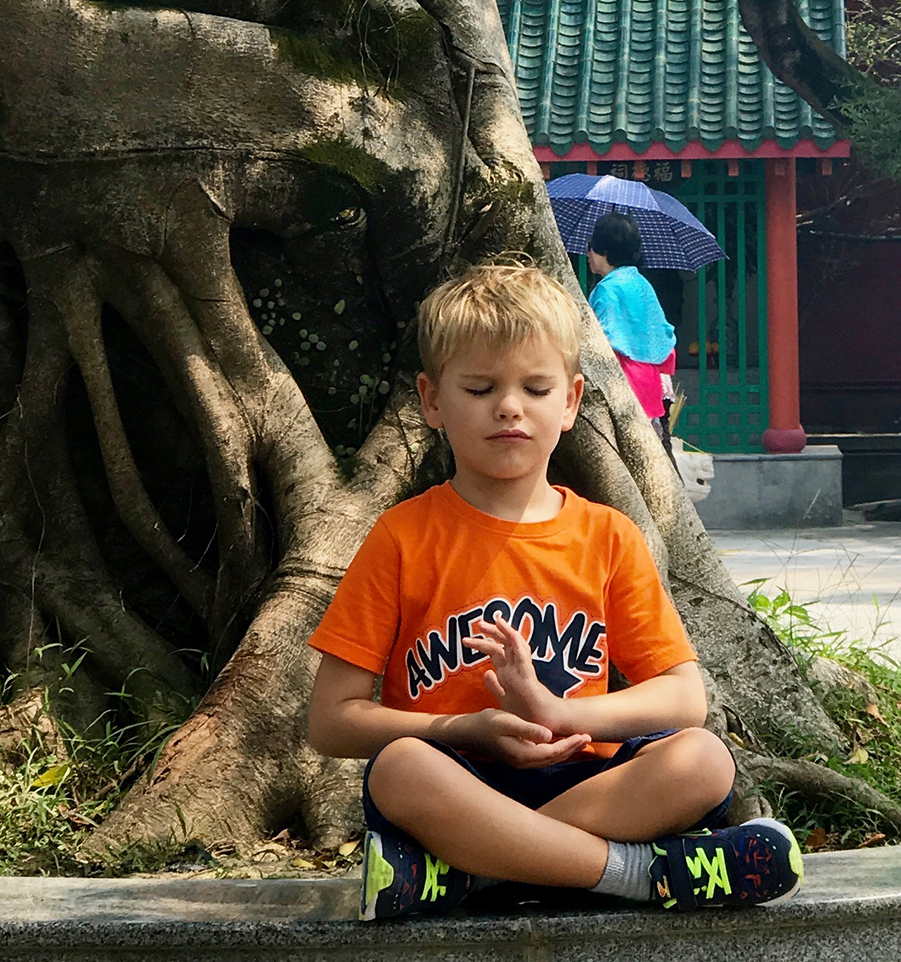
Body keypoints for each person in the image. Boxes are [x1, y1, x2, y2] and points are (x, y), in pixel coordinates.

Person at [306, 264, 802, 922]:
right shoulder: (402, 537)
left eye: (535, 387)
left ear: (569, 402)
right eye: (480, 388)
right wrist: (463, 727)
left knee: (705, 760)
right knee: (400, 768)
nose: (509, 406)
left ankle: (471, 875)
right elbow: (332, 720)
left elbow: (683, 696)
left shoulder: (607, 536)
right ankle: (635, 875)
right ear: (432, 401)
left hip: (584, 778)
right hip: (458, 781)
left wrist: (559, 713)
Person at [586, 213, 678, 460]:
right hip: (658, 381)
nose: (587, 255)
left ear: (602, 250)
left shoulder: (607, 288)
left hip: (625, 383)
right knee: (661, 456)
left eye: (590, 247)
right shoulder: (640, 282)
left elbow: (598, 341)